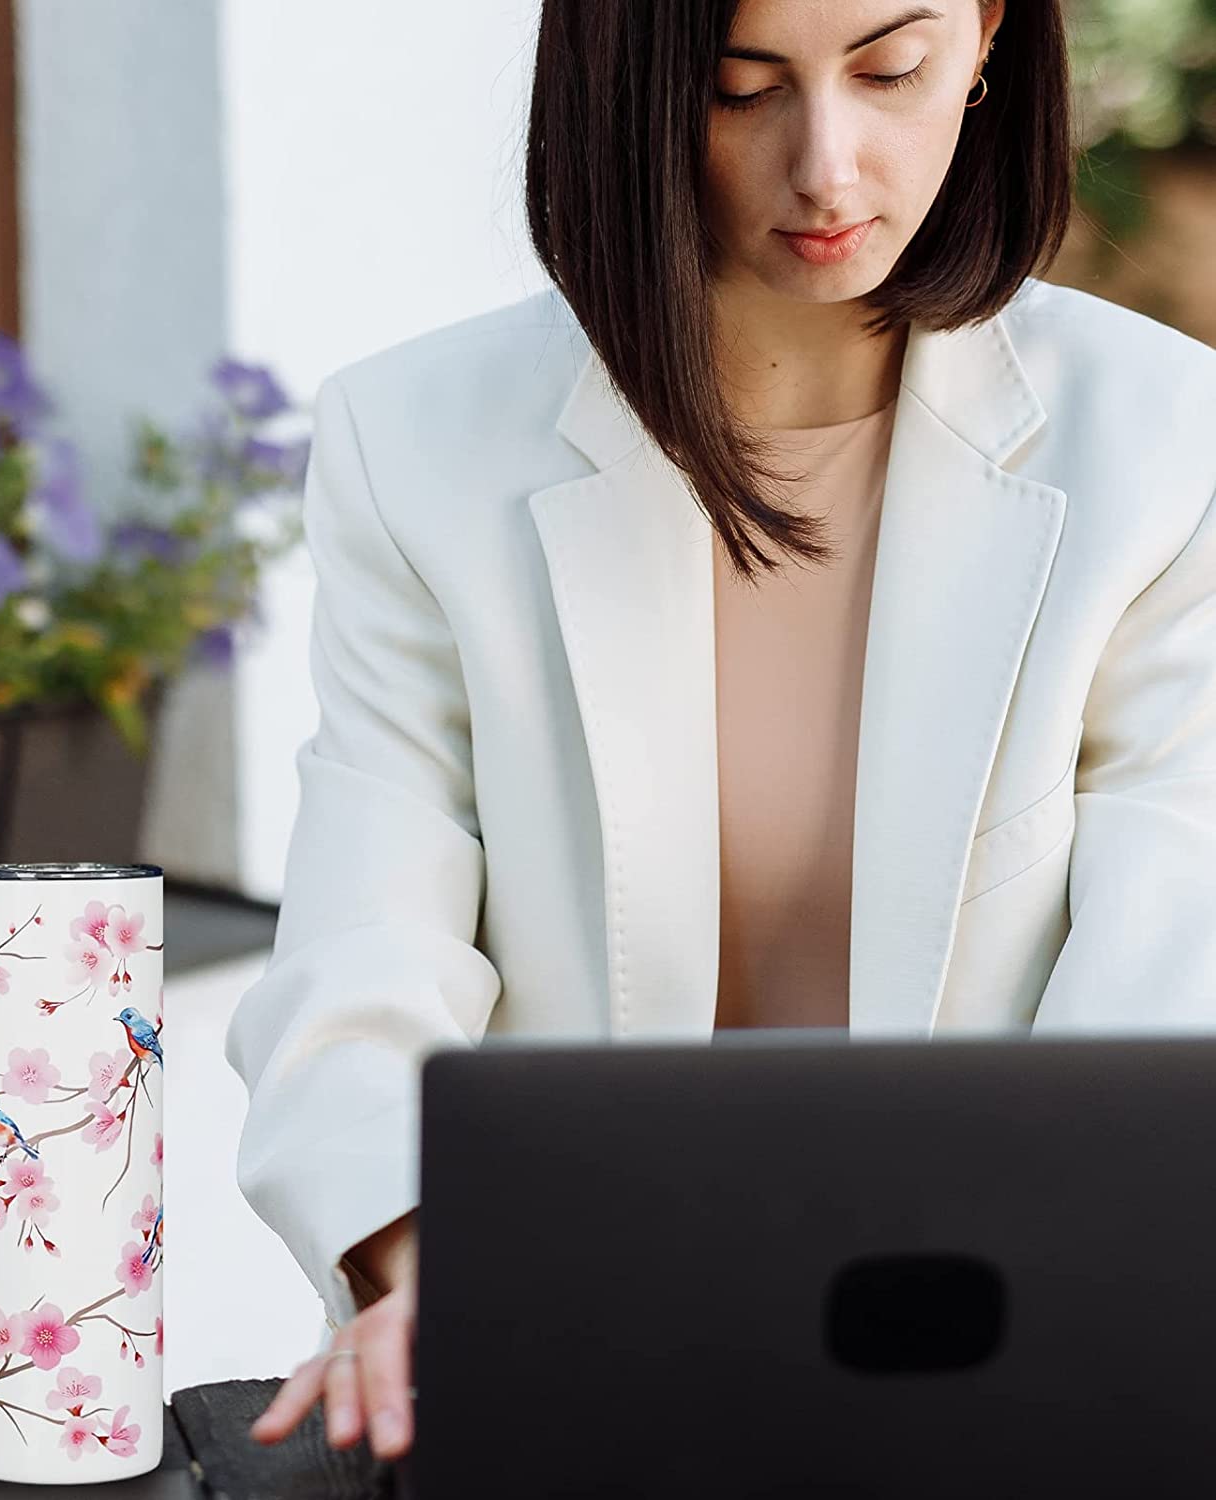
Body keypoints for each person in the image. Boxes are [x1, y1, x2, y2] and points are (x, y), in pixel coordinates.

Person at [226, 0, 1216, 1466]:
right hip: (577, 1351)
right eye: (739, 89)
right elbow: (361, 956)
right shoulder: (417, 442)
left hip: (1020, 1365)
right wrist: (441, 1277)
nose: (828, 166)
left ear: (990, 38)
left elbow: (1169, 974)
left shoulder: (1166, 441)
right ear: (626, 85)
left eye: (894, 70)